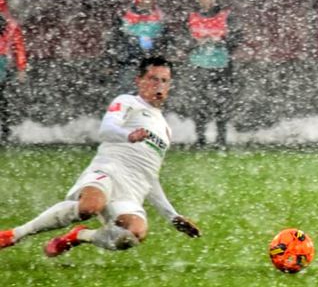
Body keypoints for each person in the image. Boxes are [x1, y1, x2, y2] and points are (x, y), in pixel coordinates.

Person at [0, 56, 200, 256]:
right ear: (139, 80)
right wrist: (127, 135)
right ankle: (15, 234)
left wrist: (172, 216)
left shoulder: (165, 130)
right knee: (89, 207)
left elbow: (150, 176)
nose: (159, 85)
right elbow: (106, 129)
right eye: (153, 78)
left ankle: (80, 236)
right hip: (109, 170)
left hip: (132, 189)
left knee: (133, 235)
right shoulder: (128, 102)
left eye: (164, 81)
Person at [182, 0, 241, 147]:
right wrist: (195, 42)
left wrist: (221, 39)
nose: (205, 2)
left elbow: (236, 39)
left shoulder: (227, 17)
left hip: (221, 65)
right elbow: (182, 41)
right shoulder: (191, 17)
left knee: (221, 102)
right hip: (198, 64)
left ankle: (221, 139)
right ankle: (200, 138)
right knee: (199, 103)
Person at [106, 0, 170, 93]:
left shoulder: (159, 16)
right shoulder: (126, 15)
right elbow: (115, 39)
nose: (147, 1)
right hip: (130, 60)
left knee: (150, 92)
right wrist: (111, 61)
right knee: (127, 91)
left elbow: (165, 38)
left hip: (151, 62)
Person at [0, 0, 27, 142]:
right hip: (1, 61)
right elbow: (19, 47)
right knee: (2, 99)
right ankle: (5, 131)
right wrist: (21, 67)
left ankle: (5, 130)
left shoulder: (11, 24)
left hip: (1, 61)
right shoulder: (11, 24)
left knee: (2, 99)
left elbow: (19, 46)